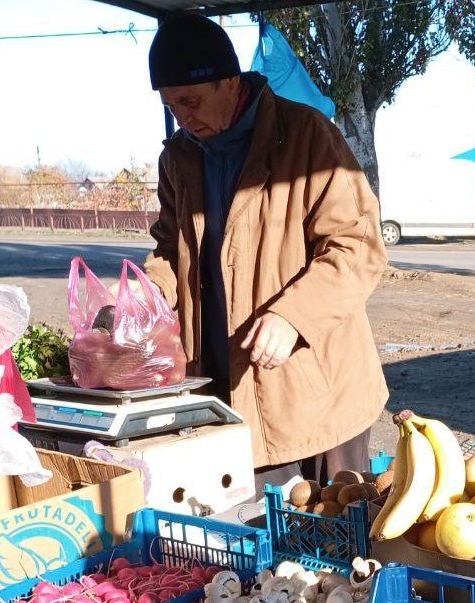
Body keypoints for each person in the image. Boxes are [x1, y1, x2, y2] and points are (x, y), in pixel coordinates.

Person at [143, 13, 388, 490]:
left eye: (190, 101)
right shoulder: (179, 156)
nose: (183, 118)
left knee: (336, 538)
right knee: (261, 544)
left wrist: (293, 316)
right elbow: (171, 247)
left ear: (230, 83)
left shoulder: (307, 137)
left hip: (313, 387)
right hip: (221, 389)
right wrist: (143, 295)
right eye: (172, 107)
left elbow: (357, 246)